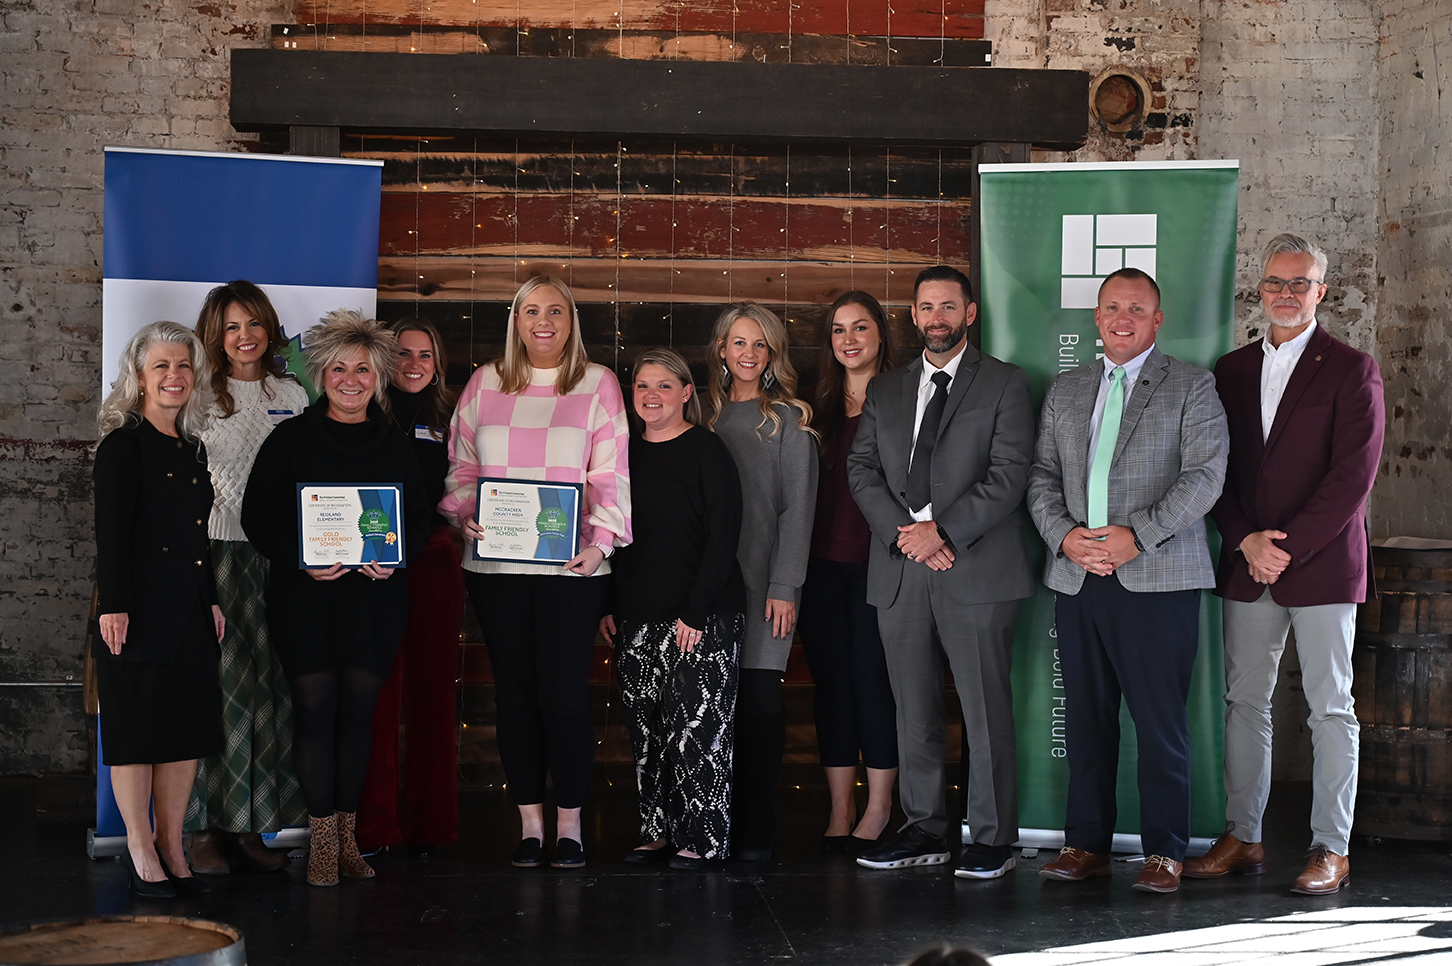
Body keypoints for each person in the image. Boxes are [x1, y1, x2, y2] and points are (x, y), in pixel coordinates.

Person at [1184, 233, 1384, 895]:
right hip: (1248, 560)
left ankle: (1332, 847)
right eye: (1276, 282)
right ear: (1260, 290)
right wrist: (1245, 540)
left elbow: (1353, 477)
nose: (1287, 294)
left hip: (1322, 563)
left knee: (1330, 709)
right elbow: (1218, 470)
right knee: (1245, 702)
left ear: (1321, 292)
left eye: (1301, 283)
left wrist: (1284, 548)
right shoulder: (1231, 370)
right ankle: (1244, 836)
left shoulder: (1352, 369)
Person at [1026, 268, 1228, 894]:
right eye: (1112, 306)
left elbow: (1204, 477)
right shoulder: (1065, 389)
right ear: (1095, 315)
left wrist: (1134, 536)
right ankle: (1085, 842)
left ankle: (1165, 851)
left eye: (1136, 309)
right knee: (1086, 720)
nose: (1123, 318)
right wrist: (1064, 536)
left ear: (1157, 319)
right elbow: (1040, 476)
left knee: (1160, 721)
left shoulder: (1193, 385)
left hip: (1157, 576)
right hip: (1077, 575)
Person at [847, 265, 1034, 880]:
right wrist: (909, 537)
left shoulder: (1005, 384)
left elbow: (1009, 475)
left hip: (975, 568)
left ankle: (992, 838)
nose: (936, 319)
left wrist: (942, 532)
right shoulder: (887, 389)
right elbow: (862, 470)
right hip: (902, 568)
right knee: (914, 711)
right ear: (914, 315)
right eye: (926, 308)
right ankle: (923, 827)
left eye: (948, 307)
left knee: (984, 710)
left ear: (970, 314)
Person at [440, 276, 631, 871]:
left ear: (571, 321)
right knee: (515, 696)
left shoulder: (598, 383)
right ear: (515, 320)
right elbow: (461, 465)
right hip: (497, 567)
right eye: (530, 311)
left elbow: (611, 472)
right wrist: (465, 512)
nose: (542, 321)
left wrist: (601, 546)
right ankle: (529, 826)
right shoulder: (485, 381)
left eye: (555, 311)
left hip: (573, 569)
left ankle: (570, 827)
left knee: (566, 697)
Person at [241, 310, 430, 887]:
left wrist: (394, 557)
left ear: (379, 376)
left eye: (364, 369)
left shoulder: (397, 446)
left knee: (359, 718)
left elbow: (418, 522)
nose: (352, 379)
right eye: (340, 368)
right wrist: (303, 556)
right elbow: (257, 518)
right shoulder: (289, 438)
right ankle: (323, 840)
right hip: (307, 599)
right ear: (322, 374)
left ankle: (351, 841)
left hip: (374, 600)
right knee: (316, 714)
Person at [600, 348, 747, 870]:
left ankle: (703, 839)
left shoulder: (707, 450)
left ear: (687, 392)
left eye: (664, 385)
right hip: (637, 616)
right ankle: (656, 831)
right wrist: (609, 603)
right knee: (648, 733)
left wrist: (696, 613)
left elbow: (723, 537)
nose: (651, 396)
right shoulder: (621, 455)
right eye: (642, 386)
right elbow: (611, 534)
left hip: (702, 616)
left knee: (699, 734)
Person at [93, 320, 225, 898]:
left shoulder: (192, 446)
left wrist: (212, 602)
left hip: (190, 612)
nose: (174, 376)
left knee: (182, 733)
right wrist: (115, 606)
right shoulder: (123, 445)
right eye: (161, 366)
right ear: (139, 378)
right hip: (136, 612)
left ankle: (174, 846)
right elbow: (111, 535)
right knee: (136, 733)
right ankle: (140, 849)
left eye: (183, 365)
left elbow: (198, 537)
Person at [186, 281, 308, 875]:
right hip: (213, 557)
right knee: (218, 692)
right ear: (216, 333)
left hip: (277, 560)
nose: (245, 337)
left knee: (271, 694)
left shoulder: (292, 394)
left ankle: (255, 827)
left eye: (254, 324)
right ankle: (204, 830)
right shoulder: (197, 397)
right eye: (232, 327)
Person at [705, 301, 818, 861]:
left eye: (759, 344)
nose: (748, 354)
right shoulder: (702, 414)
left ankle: (758, 823)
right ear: (722, 350)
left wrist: (785, 585)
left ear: (773, 353)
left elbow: (798, 510)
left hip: (765, 582)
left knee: (758, 702)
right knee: (714, 708)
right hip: (709, 585)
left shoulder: (789, 419)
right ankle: (714, 821)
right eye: (738, 342)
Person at [356, 319, 466, 855]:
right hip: (372, 564)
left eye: (426, 354)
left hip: (433, 560)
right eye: (403, 353)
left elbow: (468, 485)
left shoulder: (453, 416)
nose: (415, 363)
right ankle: (375, 827)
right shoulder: (363, 413)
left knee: (432, 697)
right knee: (377, 694)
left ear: (438, 362)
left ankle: (433, 826)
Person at [799, 291, 899, 852]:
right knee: (832, 685)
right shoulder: (813, 407)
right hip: (819, 567)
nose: (850, 339)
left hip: (881, 564)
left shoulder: (905, 396)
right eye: (839, 330)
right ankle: (840, 809)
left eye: (861, 327)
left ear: (881, 334)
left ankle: (880, 807)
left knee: (873, 683)